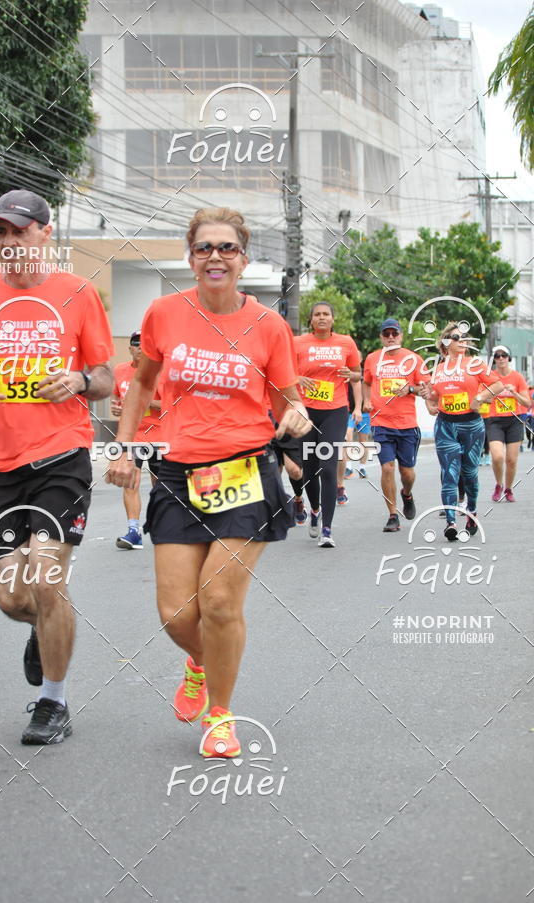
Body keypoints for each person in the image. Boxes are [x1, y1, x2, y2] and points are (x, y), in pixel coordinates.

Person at [106, 207, 311, 758]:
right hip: (177, 473)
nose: (215, 256)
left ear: (243, 258)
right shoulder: (165, 313)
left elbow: (289, 399)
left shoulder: (268, 326)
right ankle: (201, 661)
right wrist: (125, 446)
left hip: (245, 470)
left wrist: (296, 415)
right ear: (191, 257)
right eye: (204, 248)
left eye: (227, 248)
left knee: (218, 600)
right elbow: (142, 385)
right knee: (177, 614)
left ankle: (220, 715)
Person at [0, 189, 114, 744]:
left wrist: (79, 381)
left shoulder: (78, 293)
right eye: (1, 232)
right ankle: (46, 626)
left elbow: (105, 378)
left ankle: (53, 702)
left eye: (20, 230)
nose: (10, 241)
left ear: (45, 233)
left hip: (62, 455)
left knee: (45, 576)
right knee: (14, 598)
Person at [424, 322, 503, 541]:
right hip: (445, 424)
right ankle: (450, 522)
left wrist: (480, 397)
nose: (463, 341)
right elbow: (432, 396)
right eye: (457, 337)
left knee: (469, 474)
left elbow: (497, 385)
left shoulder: (475, 364)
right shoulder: (438, 369)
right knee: (449, 474)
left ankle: (472, 512)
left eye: (465, 337)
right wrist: (429, 404)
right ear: (446, 343)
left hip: (471, 425)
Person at [294, 303, 361, 547]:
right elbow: (282, 373)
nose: (322, 317)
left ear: (332, 319)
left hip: (335, 411)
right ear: (311, 320)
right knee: (309, 470)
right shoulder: (297, 343)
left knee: (328, 467)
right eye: (317, 314)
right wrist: (297, 378)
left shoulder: (346, 342)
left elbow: (358, 374)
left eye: (326, 314)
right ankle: (315, 510)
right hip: (307, 413)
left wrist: (351, 375)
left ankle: (327, 529)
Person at [363, 318, 430, 532]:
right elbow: (366, 382)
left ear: (401, 335)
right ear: (381, 337)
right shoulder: (373, 358)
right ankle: (393, 515)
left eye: (394, 333)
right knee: (387, 467)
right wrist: (366, 401)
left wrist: (410, 389)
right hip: (381, 422)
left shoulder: (414, 359)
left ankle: (406, 494)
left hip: (407, 424)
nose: (390, 337)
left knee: (407, 473)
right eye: (386, 334)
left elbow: (426, 388)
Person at [112, 331, 164, 548]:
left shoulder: (161, 372)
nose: (140, 348)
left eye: (144, 345)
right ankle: (133, 532)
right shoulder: (119, 370)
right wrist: (117, 409)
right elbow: (117, 400)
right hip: (132, 437)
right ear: (130, 349)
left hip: (160, 436)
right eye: (136, 344)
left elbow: (173, 405)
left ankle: (163, 526)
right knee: (130, 482)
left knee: (160, 485)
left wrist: (145, 401)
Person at [485, 346, 530, 502]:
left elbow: (527, 402)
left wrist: (514, 393)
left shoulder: (517, 377)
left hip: (514, 420)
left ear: (509, 358)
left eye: (504, 355)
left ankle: (508, 489)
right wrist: (493, 394)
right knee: (497, 456)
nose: (501, 358)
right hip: (495, 420)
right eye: (497, 356)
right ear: (494, 359)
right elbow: (482, 398)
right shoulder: (490, 377)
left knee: (511, 460)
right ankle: (499, 484)